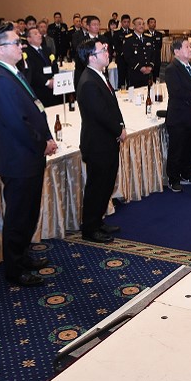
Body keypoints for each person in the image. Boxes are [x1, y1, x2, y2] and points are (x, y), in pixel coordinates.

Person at [0, 24, 57, 287]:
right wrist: (42, 144)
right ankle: (15, 269)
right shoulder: (0, 79)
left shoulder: (13, 72)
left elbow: (35, 109)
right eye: (16, 43)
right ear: (0, 49)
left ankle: (23, 256)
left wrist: (47, 136)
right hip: (18, 159)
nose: (21, 46)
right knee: (18, 216)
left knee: (28, 213)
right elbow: (17, 123)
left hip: (28, 156)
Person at [76, 39, 125, 243]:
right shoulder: (88, 81)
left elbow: (113, 106)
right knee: (96, 187)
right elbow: (101, 114)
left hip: (107, 141)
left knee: (106, 185)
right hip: (97, 144)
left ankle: (98, 221)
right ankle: (90, 228)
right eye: (102, 50)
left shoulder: (99, 76)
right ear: (91, 57)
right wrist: (118, 130)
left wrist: (121, 125)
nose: (107, 52)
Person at [164, 38, 191, 193]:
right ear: (177, 51)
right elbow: (177, 91)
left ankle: (187, 174)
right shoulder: (172, 69)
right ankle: (173, 178)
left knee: (190, 147)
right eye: (187, 47)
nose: (190, 49)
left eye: (190, 47)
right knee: (177, 149)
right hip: (179, 116)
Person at [23, 26, 59, 107]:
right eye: (36, 34)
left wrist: (54, 78)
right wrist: (47, 82)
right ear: (29, 39)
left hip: (52, 86)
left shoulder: (47, 50)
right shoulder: (26, 52)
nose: (39, 35)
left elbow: (54, 64)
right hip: (38, 87)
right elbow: (32, 71)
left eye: (39, 33)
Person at [122, 17, 155, 88]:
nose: (142, 26)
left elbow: (153, 54)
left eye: (143, 24)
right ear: (134, 26)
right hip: (135, 72)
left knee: (148, 91)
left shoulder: (148, 38)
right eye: (139, 24)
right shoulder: (129, 39)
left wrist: (150, 66)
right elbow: (128, 57)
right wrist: (140, 67)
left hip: (148, 72)